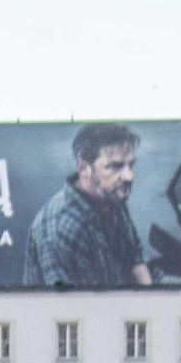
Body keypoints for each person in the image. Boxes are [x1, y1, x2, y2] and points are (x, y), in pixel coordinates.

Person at [21, 123, 154, 289]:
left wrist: (151, 300)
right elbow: (73, 308)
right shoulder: (60, 230)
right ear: (83, 168)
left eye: (131, 165)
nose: (128, 176)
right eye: (115, 166)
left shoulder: (111, 197)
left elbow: (134, 258)